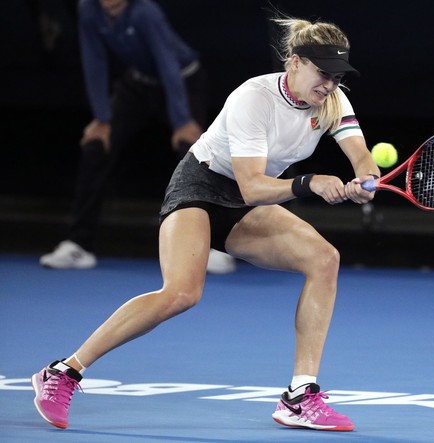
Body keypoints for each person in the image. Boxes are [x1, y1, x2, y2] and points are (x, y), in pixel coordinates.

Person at [31, 14, 380, 432]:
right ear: (295, 62)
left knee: (324, 259)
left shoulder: (334, 102)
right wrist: (309, 183)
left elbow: (360, 156)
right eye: (323, 73)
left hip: (243, 203)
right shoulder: (254, 98)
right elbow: (252, 187)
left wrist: (366, 180)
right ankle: (64, 372)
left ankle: (299, 396)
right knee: (181, 293)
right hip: (200, 187)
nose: (330, 84)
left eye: (338, 76)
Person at [39, 0, 236, 273]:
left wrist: (181, 120)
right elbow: (93, 57)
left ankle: (211, 245)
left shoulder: (145, 12)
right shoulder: (88, 9)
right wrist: (102, 117)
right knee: (96, 146)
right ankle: (79, 245)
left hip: (182, 81)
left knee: (195, 153)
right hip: (138, 85)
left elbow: (167, 64)